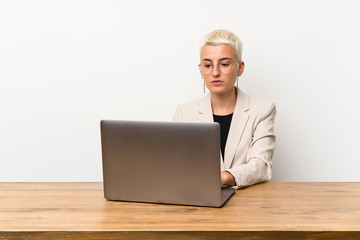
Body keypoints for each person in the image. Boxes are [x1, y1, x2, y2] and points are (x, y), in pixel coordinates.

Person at [173, 29, 276, 189]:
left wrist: (221, 178)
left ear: (240, 68)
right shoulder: (184, 112)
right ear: (201, 70)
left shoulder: (262, 109)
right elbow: (176, 163)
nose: (215, 73)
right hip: (198, 200)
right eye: (207, 65)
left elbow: (260, 166)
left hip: (246, 205)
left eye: (225, 64)